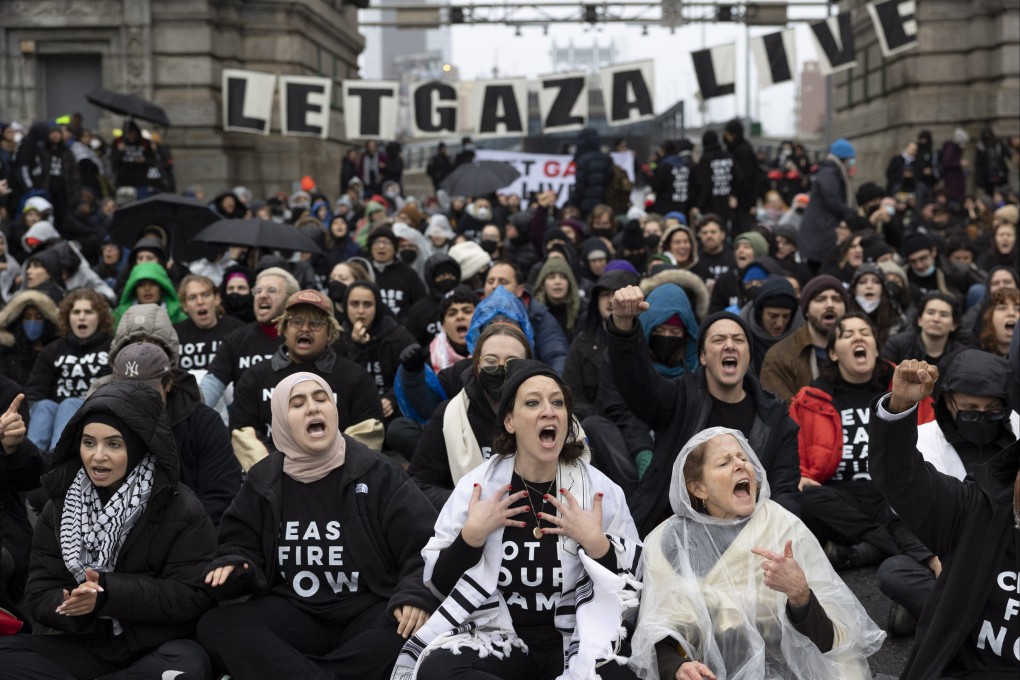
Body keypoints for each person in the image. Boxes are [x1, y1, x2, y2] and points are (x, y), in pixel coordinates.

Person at [392, 359, 641, 680]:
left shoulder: (598, 491)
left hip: (572, 636)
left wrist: (599, 546)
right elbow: (440, 586)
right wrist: (471, 539)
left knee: (622, 675)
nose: (549, 411)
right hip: (496, 636)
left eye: (557, 403)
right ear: (509, 421)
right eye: (533, 403)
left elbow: (631, 590)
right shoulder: (477, 488)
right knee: (438, 671)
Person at [197, 372, 439, 680]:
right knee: (216, 625)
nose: (313, 408)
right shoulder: (263, 479)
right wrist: (235, 566)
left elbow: (425, 547)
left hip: (366, 608)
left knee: (416, 626)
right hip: (295, 611)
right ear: (282, 420)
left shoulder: (379, 472)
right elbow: (239, 545)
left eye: (321, 398)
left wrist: (415, 595)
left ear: (334, 410)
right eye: (297, 404)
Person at [628, 427, 886, 680]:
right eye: (724, 462)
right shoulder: (667, 542)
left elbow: (832, 643)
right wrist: (677, 667)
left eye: (743, 458)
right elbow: (658, 632)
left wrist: (800, 595)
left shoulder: (782, 526)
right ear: (698, 489)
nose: (741, 465)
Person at [0, 381, 216, 679]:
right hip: (86, 642)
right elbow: (39, 591)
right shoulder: (61, 505)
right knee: (6, 656)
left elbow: (190, 595)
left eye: (113, 444)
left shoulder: (180, 506)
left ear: (138, 445)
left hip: (154, 645)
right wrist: (71, 603)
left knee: (188, 663)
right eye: (89, 443)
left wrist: (108, 593)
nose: (97, 456)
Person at [607, 286, 802, 535]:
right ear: (702, 356)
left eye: (738, 340)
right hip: (678, 532)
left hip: (748, 536)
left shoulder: (775, 418)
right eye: (718, 340)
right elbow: (636, 383)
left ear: (748, 355)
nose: (729, 345)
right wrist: (623, 325)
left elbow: (785, 490)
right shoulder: (679, 398)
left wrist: (778, 538)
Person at [871, 359, 1020, 679]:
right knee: (894, 570)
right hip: (955, 659)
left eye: (990, 409)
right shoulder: (976, 509)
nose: (980, 418)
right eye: (970, 408)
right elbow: (899, 480)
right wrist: (899, 409)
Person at [790, 313, 935, 570]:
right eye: (847, 335)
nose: (858, 337)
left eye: (865, 333)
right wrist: (800, 475)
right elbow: (793, 451)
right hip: (843, 493)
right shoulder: (811, 397)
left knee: (906, 507)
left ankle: (867, 549)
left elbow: (930, 436)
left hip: (891, 489)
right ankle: (888, 544)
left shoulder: (905, 387)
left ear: (876, 347)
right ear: (833, 354)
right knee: (808, 500)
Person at [230, 289, 384, 468]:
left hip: (336, 479)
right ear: (284, 328)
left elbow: (368, 431)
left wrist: (324, 469)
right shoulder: (255, 376)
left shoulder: (355, 377)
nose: (304, 328)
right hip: (273, 481)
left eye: (315, 323)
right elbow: (243, 433)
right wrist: (278, 472)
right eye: (296, 321)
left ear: (330, 331)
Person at [408, 323, 532, 509]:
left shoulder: (548, 416)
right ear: (476, 364)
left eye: (512, 361)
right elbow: (419, 486)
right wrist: (471, 505)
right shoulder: (449, 415)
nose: (500, 368)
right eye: (490, 360)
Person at [25, 289, 112, 453]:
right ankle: (32, 458)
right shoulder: (52, 350)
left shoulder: (112, 348)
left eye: (88, 312)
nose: (81, 317)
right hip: (53, 416)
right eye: (76, 312)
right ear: (68, 317)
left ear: (100, 317)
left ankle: (57, 459)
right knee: (43, 406)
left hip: (95, 414)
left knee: (69, 404)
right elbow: (35, 391)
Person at [199, 267, 296, 409]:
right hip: (246, 427)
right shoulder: (236, 339)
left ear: (291, 299)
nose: (262, 295)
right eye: (258, 290)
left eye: (272, 290)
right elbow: (212, 385)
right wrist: (192, 415)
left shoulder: (303, 340)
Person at [760, 275, 849, 403]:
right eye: (820, 299)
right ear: (806, 310)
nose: (830, 305)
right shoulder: (780, 356)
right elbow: (781, 411)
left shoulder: (859, 347)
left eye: (837, 299)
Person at [339, 280, 416, 425]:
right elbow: (343, 385)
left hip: (392, 412)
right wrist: (357, 347)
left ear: (378, 307)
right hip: (354, 413)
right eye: (354, 304)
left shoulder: (398, 336)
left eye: (367, 305)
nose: (361, 311)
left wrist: (393, 398)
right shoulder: (338, 338)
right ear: (345, 307)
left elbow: (415, 373)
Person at [799, 138, 858, 273]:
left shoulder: (832, 171)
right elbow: (832, 201)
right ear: (844, 158)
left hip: (822, 230)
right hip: (821, 232)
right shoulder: (829, 173)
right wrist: (852, 214)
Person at [174, 274, 244, 373]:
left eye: (205, 295)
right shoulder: (175, 334)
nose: (200, 302)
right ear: (185, 305)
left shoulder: (237, 330)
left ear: (217, 299)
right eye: (192, 297)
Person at [882, 291, 966, 365]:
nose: (936, 319)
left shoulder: (961, 355)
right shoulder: (897, 345)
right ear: (919, 320)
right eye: (930, 313)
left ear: (954, 325)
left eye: (944, 315)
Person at [569, 127, 613, 217]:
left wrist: (572, 204)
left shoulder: (583, 160)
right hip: (604, 204)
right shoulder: (606, 159)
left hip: (586, 206)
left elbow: (580, 186)